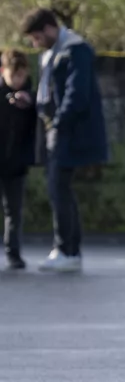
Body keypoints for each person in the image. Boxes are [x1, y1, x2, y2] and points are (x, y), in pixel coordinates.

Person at [22, 8, 109, 272]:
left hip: (67, 131)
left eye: (37, 38)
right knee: (60, 190)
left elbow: (76, 94)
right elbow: (50, 92)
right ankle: (67, 250)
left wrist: (58, 123)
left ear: (49, 29)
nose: (35, 44)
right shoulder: (53, 54)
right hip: (55, 130)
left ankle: (67, 250)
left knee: (58, 188)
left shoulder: (75, 50)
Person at [0, 49, 37, 270]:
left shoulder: (30, 96)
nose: (18, 81)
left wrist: (29, 104)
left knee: (13, 211)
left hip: (16, 162)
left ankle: (13, 252)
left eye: (21, 76)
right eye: (14, 75)